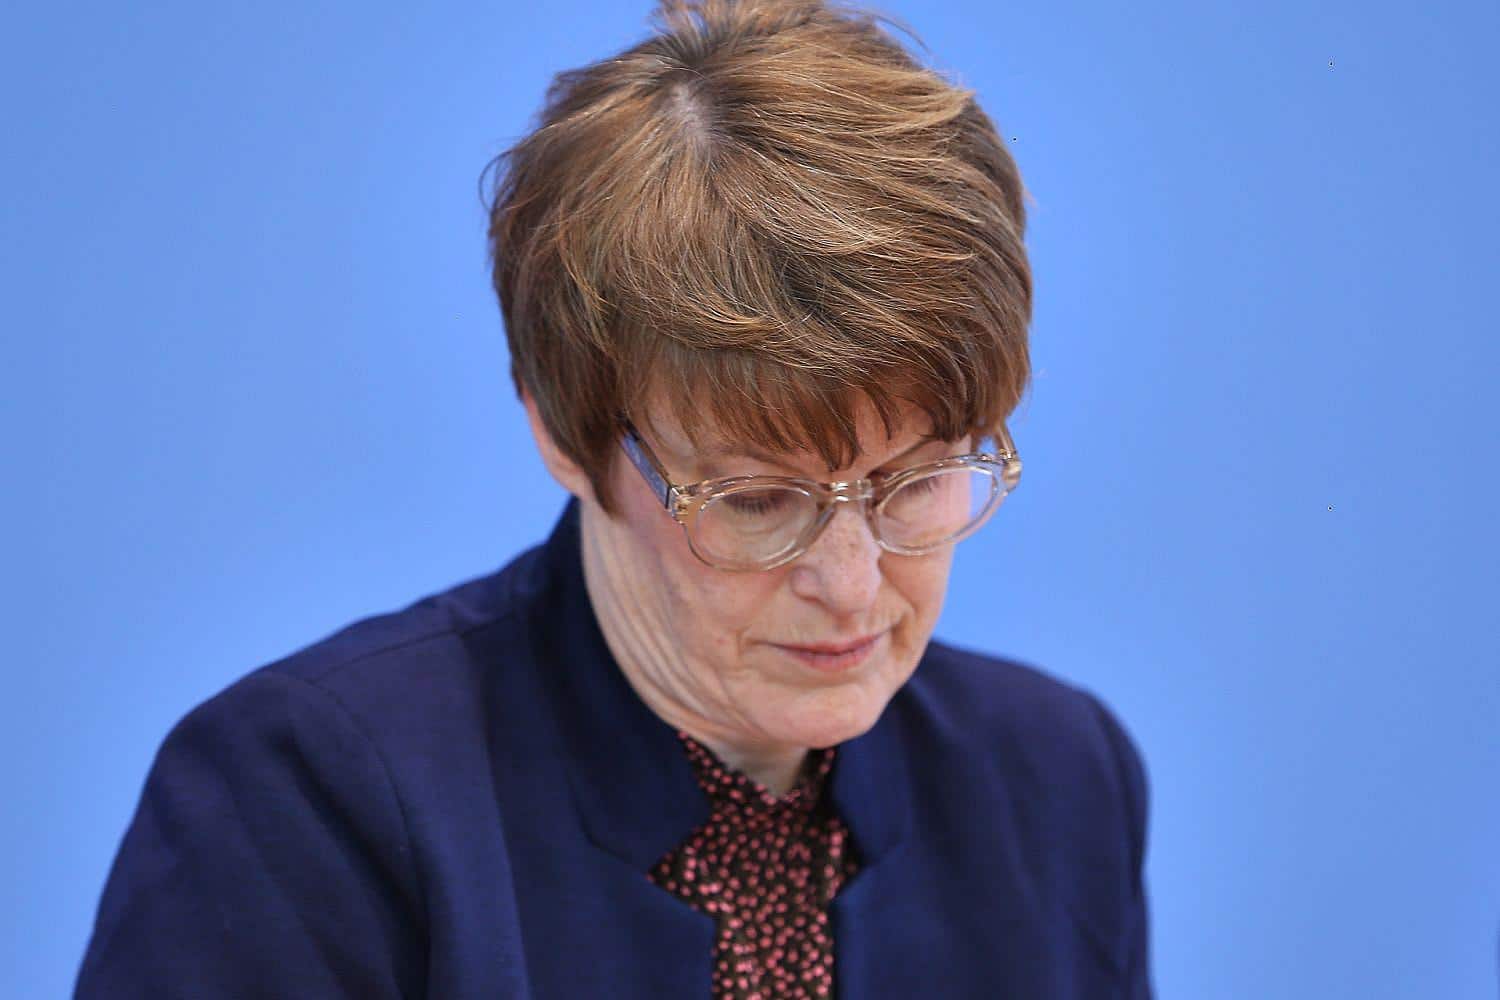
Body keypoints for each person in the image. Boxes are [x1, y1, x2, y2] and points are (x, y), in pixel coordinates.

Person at [75, 0, 1152, 996]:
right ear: (560, 431)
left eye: (914, 481)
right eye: (757, 500)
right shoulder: (305, 800)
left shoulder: (1057, 781)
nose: (852, 582)